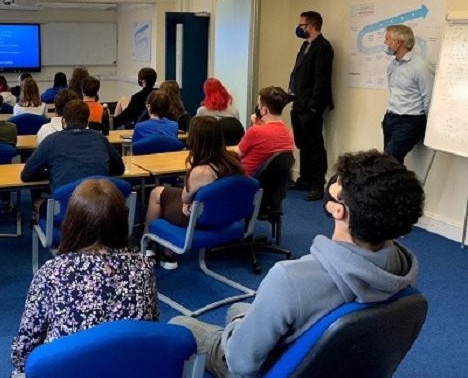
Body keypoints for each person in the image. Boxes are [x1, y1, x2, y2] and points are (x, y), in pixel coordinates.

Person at [170, 150, 423, 378]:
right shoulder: (400, 265)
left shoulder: (291, 278)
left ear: (339, 211)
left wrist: (236, 332)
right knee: (237, 308)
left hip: (266, 366)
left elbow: (241, 364)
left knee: (179, 326)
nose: (333, 184)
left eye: (339, 185)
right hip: (338, 359)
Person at [10, 178, 159, 375]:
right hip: (129, 369)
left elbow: (23, 351)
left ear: (72, 223)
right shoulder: (143, 267)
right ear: (122, 221)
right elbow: (151, 327)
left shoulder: (52, 273)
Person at [145, 116, 244, 269]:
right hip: (224, 215)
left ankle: (150, 247)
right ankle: (165, 253)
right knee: (161, 193)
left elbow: (186, 196)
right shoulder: (233, 161)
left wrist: (187, 201)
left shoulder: (201, 171)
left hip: (198, 217)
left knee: (157, 195)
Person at [21, 100, 125, 213]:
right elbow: (119, 168)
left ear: (63, 121)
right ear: (87, 121)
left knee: (37, 202)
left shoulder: (51, 140)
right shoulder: (100, 138)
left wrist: (53, 173)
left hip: (66, 214)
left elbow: (27, 174)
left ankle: (45, 226)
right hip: (100, 211)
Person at [287, 10, 334, 201]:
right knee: (302, 144)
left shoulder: (323, 47)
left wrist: (313, 106)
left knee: (314, 146)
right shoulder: (305, 46)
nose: (299, 28)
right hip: (298, 103)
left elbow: (321, 80)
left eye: (302, 25)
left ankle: (317, 184)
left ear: (311, 26)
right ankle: (304, 179)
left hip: (311, 106)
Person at [382, 24, 435, 164]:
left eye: (387, 39)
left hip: (410, 121)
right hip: (390, 118)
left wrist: (430, 129)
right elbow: (395, 93)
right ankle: (397, 186)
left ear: (398, 43)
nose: (385, 43)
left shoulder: (421, 66)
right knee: (388, 163)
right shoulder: (392, 66)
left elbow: (429, 98)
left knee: (390, 161)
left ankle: (400, 186)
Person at [237, 86, 295, 177]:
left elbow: (235, 155)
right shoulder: (287, 134)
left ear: (264, 110)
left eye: (259, 105)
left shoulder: (255, 132)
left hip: (242, 178)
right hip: (265, 181)